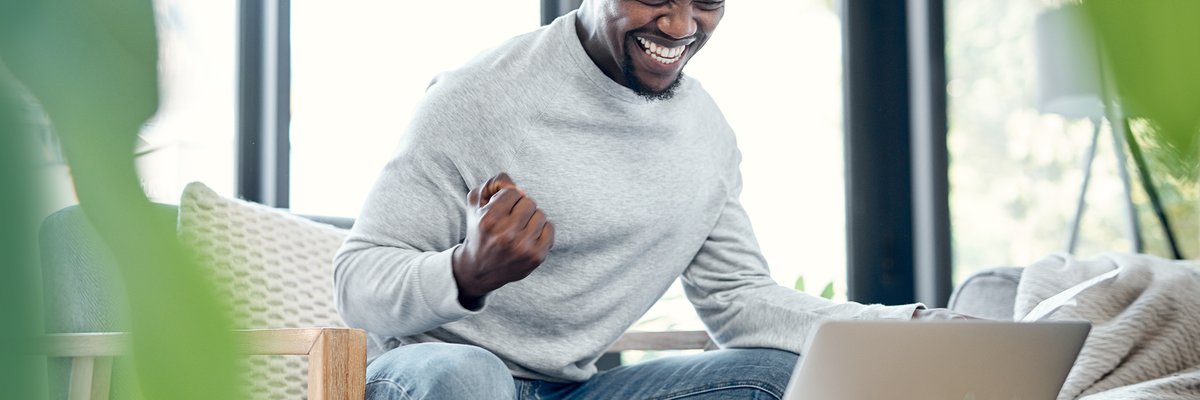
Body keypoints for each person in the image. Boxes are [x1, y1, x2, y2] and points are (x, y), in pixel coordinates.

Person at [333, 1, 967, 398]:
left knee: (773, 376)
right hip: (430, 380)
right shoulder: (477, 98)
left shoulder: (707, 135)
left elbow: (738, 296)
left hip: (569, 390)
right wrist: (465, 274)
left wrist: (908, 327)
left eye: (707, 2)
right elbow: (355, 281)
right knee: (469, 376)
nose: (681, 26)